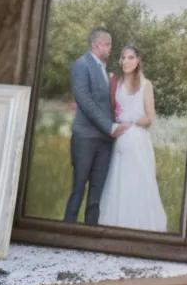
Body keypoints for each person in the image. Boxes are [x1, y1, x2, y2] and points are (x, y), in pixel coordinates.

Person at [98, 43, 168, 231]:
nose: (126, 61)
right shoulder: (116, 83)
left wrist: (131, 121)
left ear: (138, 61)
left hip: (138, 143)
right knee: (119, 183)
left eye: (131, 57)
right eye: (123, 57)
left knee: (138, 183)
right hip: (120, 142)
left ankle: (139, 228)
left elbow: (149, 118)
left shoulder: (145, 85)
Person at [62, 27, 123, 225]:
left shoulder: (104, 69)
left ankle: (89, 233)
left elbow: (108, 103)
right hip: (85, 139)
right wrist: (110, 126)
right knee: (78, 189)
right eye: (108, 44)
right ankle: (66, 232)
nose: (110, 49)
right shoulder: (82, 65)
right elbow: (85, 101)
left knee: (96, 196)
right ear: (98, 45)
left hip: (105, 142)